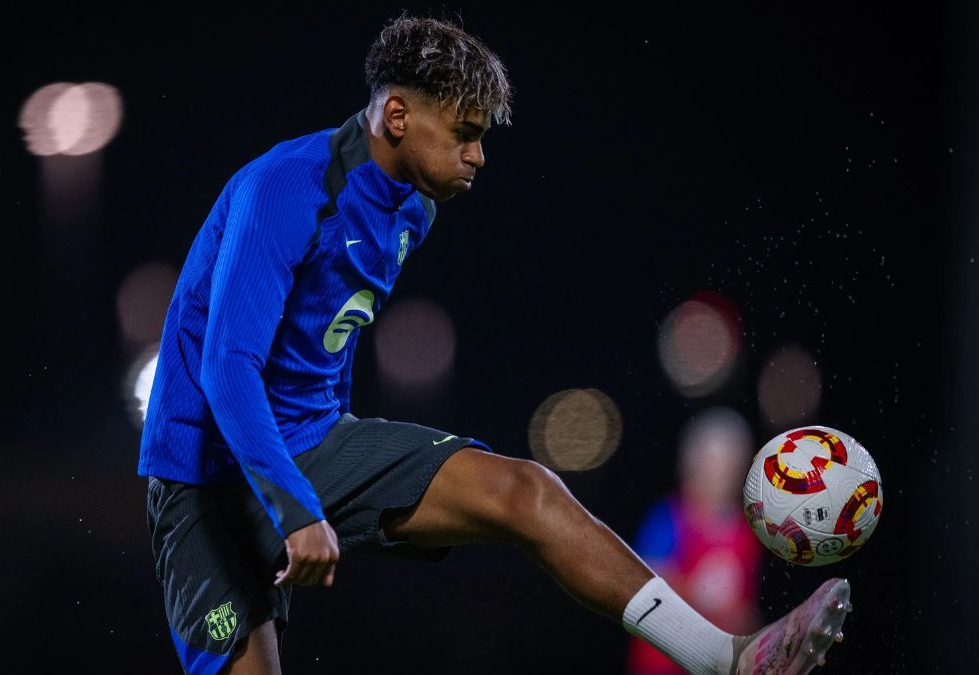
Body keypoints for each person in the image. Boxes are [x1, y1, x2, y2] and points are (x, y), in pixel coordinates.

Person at [138, 14, 851, 675]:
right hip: (204, 479)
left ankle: (725, 657)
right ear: (396, 115)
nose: (478, 155)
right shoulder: (284, 189)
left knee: (527, 489)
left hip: (310, 443)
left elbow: (322, 338)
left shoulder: (413, 208)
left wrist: (335, 477)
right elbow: (227, 370)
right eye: (464, 132)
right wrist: (296, 506)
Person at [628, 408, 764, 674]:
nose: (721, 474)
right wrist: (699, 592)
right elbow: (641, 586)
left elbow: (744, 609)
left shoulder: (747, 531)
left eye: (729, 463)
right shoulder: (669, 519)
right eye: (714, 463)